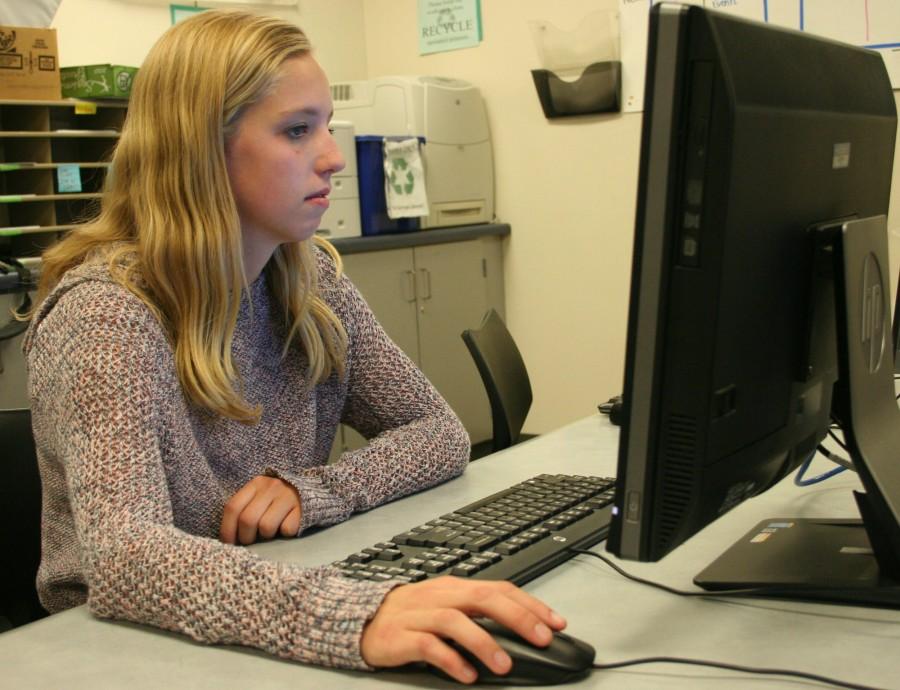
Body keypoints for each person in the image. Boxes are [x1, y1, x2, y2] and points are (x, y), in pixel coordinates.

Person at [23, 9, 566, 684]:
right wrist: (356, 618)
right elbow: (127, 558)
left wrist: (316, 492)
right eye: (297, 131)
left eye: (326, 127)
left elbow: (439, 433)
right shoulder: (107, 315)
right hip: (119, 654)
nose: (334, 157)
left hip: (253, 608)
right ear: (201, 148)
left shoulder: (308, 281)